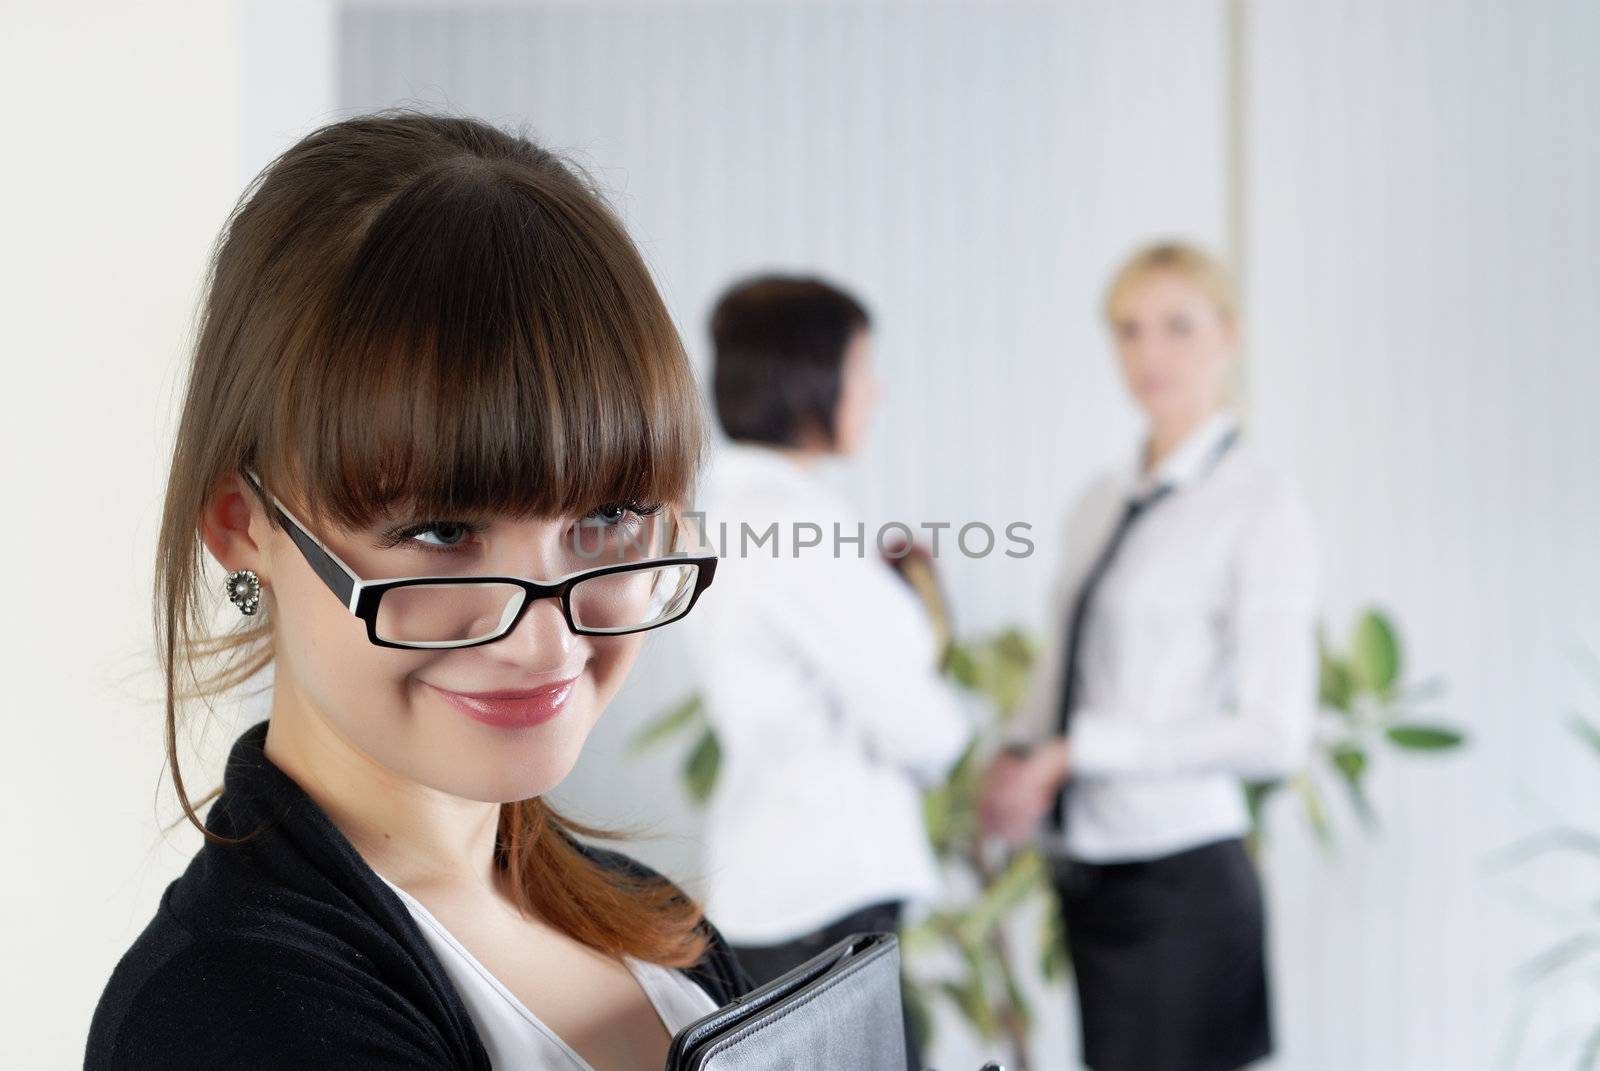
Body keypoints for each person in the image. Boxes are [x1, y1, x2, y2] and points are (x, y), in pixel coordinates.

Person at [86, 110, 753, 1070]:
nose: (546, 641)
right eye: (441, 532)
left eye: (606, 519)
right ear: (244, 524)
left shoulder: (644, 917)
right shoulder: (228, 1015)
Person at [978, 242, 1320, 1071]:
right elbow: (1066, 662)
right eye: (1129, 330)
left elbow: (1278, 733)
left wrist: (1084, 750)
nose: (1149, 354)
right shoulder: (1100, 502)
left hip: (1186, 882)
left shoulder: (1260, 506)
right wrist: (1018, 755)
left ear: (1228, 335)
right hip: (1091, 873)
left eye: (1177, 326)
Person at [682, 275, 974, 1071]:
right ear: (809, 377)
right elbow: (921, 727)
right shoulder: (798, 525)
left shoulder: (731, 510)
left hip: (774, 890)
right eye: (862, 366)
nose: (875, 390)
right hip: (826, 901)